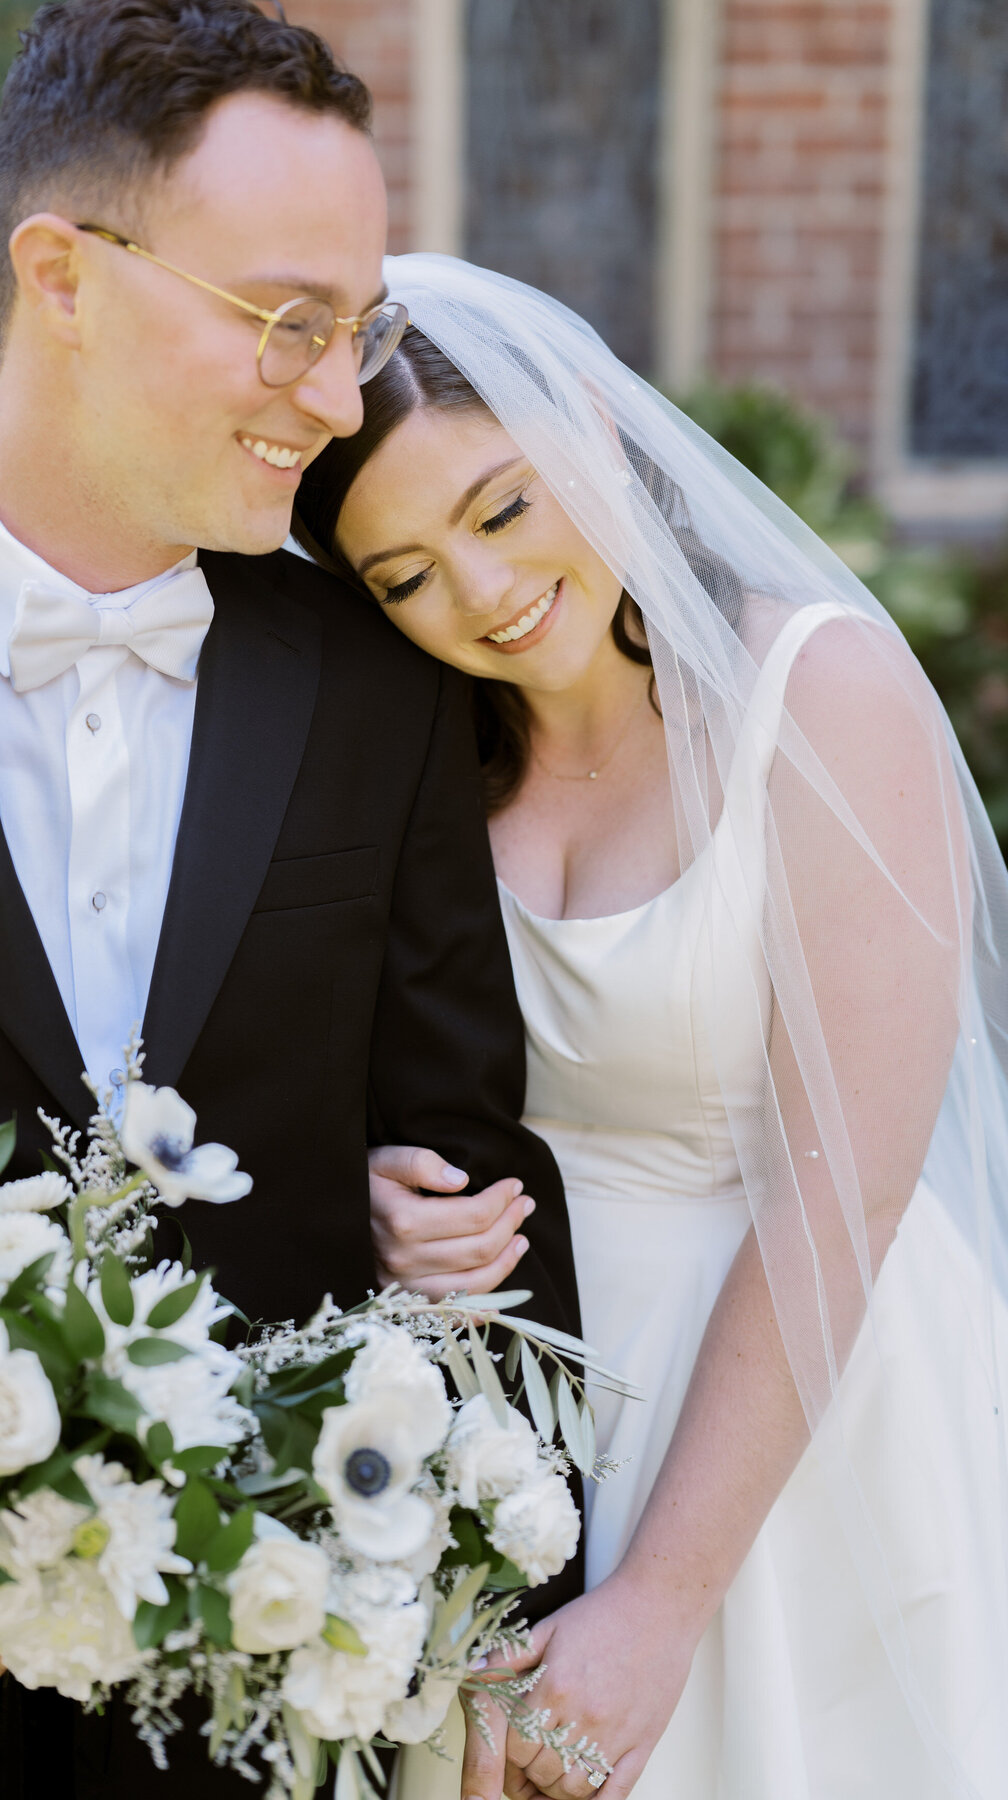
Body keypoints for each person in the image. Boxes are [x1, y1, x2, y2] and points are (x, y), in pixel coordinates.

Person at [0, 15, 582, 1798]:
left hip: (267, 1722)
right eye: (287, 321)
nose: (334, 395)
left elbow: (473, 1165)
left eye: (358, 328)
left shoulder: (382, 689)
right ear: (62, 276)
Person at [293, 254, 1008, 1800]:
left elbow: (848, 1187)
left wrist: (664, 1600)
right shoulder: (420, 769)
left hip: (794, 1414)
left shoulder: (814, 692)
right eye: (405, 575)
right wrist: (369, 1206)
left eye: (499, 509)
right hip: (521, 1429)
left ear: (598, 434)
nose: (481, 594)